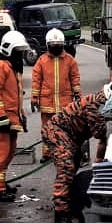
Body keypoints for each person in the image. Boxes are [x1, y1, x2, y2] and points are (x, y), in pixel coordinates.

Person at [42, 67, 112, 223]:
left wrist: (99, 165)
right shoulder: (97, 104)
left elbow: (104, 140)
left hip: (72, 137)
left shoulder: (108, 105)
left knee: (72, 169)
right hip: (58, 131)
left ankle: (68, 201)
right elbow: (101, 133)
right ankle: (61, 215)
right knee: (66, 169)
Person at [0, 30, 29, 203]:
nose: (21, 55)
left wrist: (21, 115)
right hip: (0, 122)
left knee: (8, 153)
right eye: (18, 51)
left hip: (10, 120)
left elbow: (14, 96)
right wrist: (1, 116)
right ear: (9, 49)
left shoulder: (11, 67)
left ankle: (0, 183)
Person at [30, 28, 81, 160]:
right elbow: (36, 80)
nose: (55, 47)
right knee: (47, 128)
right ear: (48, 45)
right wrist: (34, 97)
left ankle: (64, 151)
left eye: (57, 45)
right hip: (48, 103)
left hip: (65, 102)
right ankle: (47, 153)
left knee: (65, 128)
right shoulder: (42, 60)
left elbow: (75, 78)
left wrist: (77, 94)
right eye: (53, 45)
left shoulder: (69, 60)